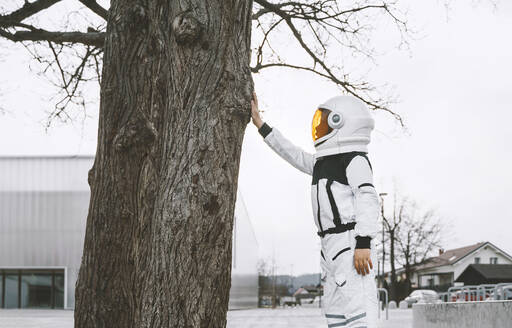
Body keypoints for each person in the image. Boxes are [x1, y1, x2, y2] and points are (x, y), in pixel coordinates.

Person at [251, 92, 379, 327]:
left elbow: (367, 197)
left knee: (359, 308)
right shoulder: (323, 163)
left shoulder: (354, 159)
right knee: (335, 310)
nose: (319, 129)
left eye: (323, 122)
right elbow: (293, 154)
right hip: (328, 245)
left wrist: (363, 243)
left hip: (349, 241)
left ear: (340, 122)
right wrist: (261, 125)